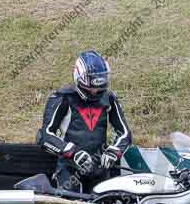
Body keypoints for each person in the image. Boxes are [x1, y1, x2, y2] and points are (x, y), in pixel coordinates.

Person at [38, 50, 133, 193]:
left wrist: (114, 151)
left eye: (99, 85)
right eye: (92, 86)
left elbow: (125, 133)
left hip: (99, 168)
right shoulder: (63, 97)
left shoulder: (109, 97)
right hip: (69, 168)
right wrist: (72, 152)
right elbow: (44, 136)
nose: (95, 90)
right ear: (79, 78)